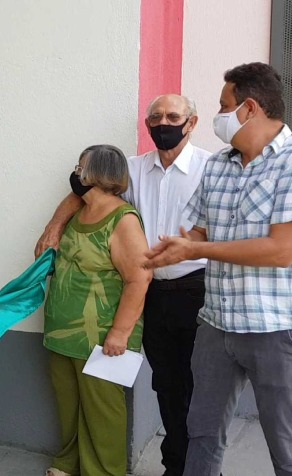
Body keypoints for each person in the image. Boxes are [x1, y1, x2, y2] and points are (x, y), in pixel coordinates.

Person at [37, 94, 211, 475]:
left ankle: (197, 468)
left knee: (198, 388)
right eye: (157, 117)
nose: (164, 123)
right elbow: (81, 191)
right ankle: (175, 465)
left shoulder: (210, 169)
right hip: (151, 297)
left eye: (173, 116)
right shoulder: (132, 169)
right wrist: (55, 225)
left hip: (193, 290)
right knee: (166, 386)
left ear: (191, 122)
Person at [144, 63, 292, 476]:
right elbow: (198, 229)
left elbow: (281, 250)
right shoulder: (219, 165)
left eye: (223, 106)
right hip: (215, 326)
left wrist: (200, 247)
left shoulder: (289, 165)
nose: (217, 115)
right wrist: (174, 249)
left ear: (248, 109)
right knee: (202, 433)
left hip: (274, 329)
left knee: (285, 441)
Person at [42, 145, 152, 476]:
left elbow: (139, 278)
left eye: (81, 167)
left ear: (97, 174)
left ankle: (104, 472)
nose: (76, 173)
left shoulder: (123, 220)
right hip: (64, 333)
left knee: (103, 412)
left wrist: (120, 333)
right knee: (69, 405)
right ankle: (69, 462)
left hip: (103, 335)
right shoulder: (77, 213)